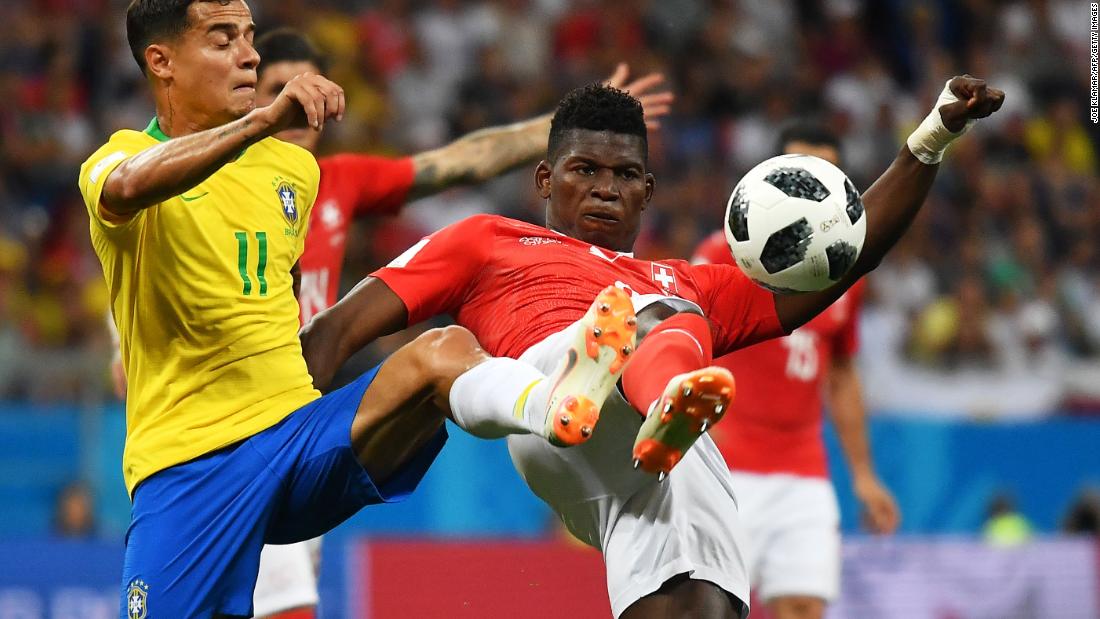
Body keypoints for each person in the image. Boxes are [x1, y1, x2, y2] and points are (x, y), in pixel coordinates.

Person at [301, 79, 1004, 617]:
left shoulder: (684, 275)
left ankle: (662, 402)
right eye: (583, 170)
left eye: (624, 176)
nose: (604, 189)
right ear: (545, 179)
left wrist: (933, 135)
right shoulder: (484, 238)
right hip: (546, 390)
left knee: (706, 595)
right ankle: (652, 388)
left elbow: (848, 255)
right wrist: (262, 442)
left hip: (647, 460)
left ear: (648, 191)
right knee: (659, 313)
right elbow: (335, 331)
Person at [79, 2, 632, 616]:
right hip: (190, 468)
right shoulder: (115, 161)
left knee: (440, 353)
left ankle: (553, 403)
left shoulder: (292, 170)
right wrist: (260, 123)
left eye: (249, 37)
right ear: (161, 61)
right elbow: (131, 185)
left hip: (294, 438)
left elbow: (275, 299)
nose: (249, 54)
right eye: (222, 40)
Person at [692, 122, 900, 619]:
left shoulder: (847, 268)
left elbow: (842, 374)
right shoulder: (727, 252)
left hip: (804, 473)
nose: (809, 185)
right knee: (708, 610)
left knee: (805, 608)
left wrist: (865, 476)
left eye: (823, 172)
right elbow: (685, 339)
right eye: (796, 174)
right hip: (726, 469)